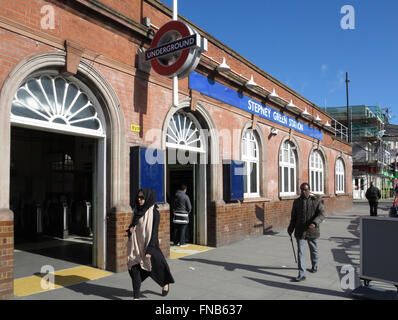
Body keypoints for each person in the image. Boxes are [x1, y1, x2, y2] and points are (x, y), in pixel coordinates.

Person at [126, 188, 175, 300]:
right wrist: (130, 230)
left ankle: (165, 283)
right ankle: (136, 297)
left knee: (158, 267)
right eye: (138, 197)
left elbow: (154, 232)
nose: (139, 199)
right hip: (136, 246)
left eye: (142, 197)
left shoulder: (154, 213)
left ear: (148, 198)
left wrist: (150, 249)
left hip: (149, 245)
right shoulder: (136, 210)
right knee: (135, 270)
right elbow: (132, 226)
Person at [287, 183, 325, 282]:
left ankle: (314, 265)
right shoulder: (296, 202)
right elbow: (293, 217)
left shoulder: (316, 201)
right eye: (302, 190)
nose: (303, 191)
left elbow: (322, 214)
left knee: (314, 250)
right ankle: (302, 273)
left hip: (312, 230)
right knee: (300, 252)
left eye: (305, 189)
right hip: (300, 231)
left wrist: (315, 223)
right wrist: (290, 228)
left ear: (309, 190)